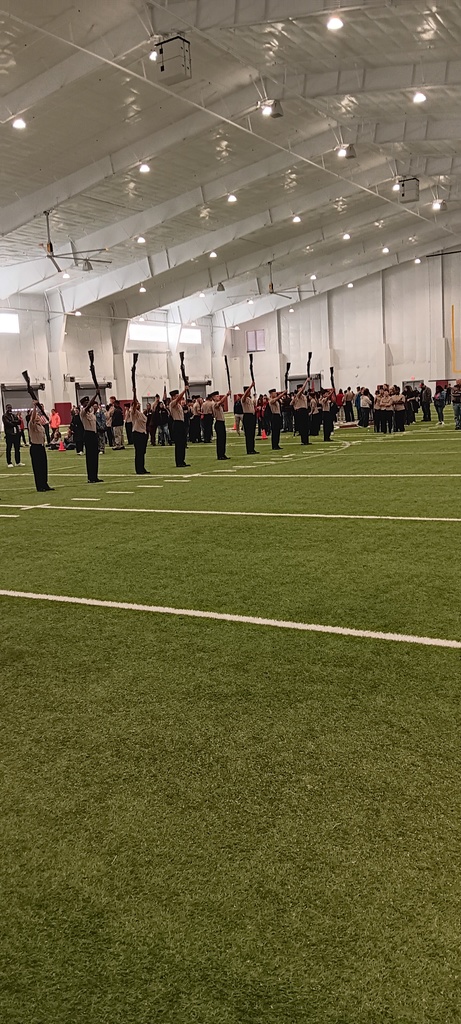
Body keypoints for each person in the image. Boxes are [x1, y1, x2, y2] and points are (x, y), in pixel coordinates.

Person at [29, 401, 54, 492]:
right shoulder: (32, 425)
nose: (38, 416)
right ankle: (39, 486)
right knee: (37, 467)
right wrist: (34, 407)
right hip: (35, 447)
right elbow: (32, 418)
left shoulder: (41, 426)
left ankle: (45, 483)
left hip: (41, 447)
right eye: (36, 416)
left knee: (44, 466)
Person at [80, 394, 103, 483]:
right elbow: (89, 405)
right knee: (90, 457)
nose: (88, 403)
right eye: (86, 402)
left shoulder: (91, 413)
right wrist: (96, 394)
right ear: (83, 404)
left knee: (95, 456)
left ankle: (95, 476)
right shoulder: (83, 412)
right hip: (88, 434)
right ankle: (91, 477)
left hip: (94, 434)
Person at [169, 387, 190, 467]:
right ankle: (179, 462)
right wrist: (184, 390)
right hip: (177, 423)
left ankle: (182, 460)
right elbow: (179, 399)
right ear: (173, 397)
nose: (178, 397)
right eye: (176, 396)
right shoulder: (172, 403)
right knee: (178, 444)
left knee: (182, 443)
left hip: (181, 424)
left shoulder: (179, 405)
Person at [131, 389, 149, 475]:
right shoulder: (134, 413)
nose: (138, 404)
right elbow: (134, 405)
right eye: (137, 403)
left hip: (143, 434)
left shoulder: (141, 414)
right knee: (138, 452)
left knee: (142, 452)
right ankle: (138, 469)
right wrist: (134, 393)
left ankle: (142, 467)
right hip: (137, 433)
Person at [211, 390, 231, 460]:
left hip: (222, 423)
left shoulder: (217, 404)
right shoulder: (214, 404)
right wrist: (227, 395)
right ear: (213, 397)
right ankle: (220, 455)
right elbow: (221, 402)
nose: (218, 397)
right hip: (218, 423)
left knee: (223, 439)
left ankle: (223, 454)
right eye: (217, 396)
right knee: (220, 440)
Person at [291, 378, 310, 445]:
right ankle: (303, 440)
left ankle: (306, 440)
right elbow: (302, 390)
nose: (302, 389)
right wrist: (306, 381)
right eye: (300, 388)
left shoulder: (304, 396)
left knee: (306, 426)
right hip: (300, 411)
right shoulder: (298, 395)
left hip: (305, 410)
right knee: (302, 426)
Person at [241, 382, 258, 454]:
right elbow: (245, 395)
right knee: (248, 434)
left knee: (252, 434)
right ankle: (249, 449)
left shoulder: (250, 399)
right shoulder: (243, 399)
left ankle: (252, 448)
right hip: (247, 416)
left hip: (252, 416)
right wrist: (251, 386)